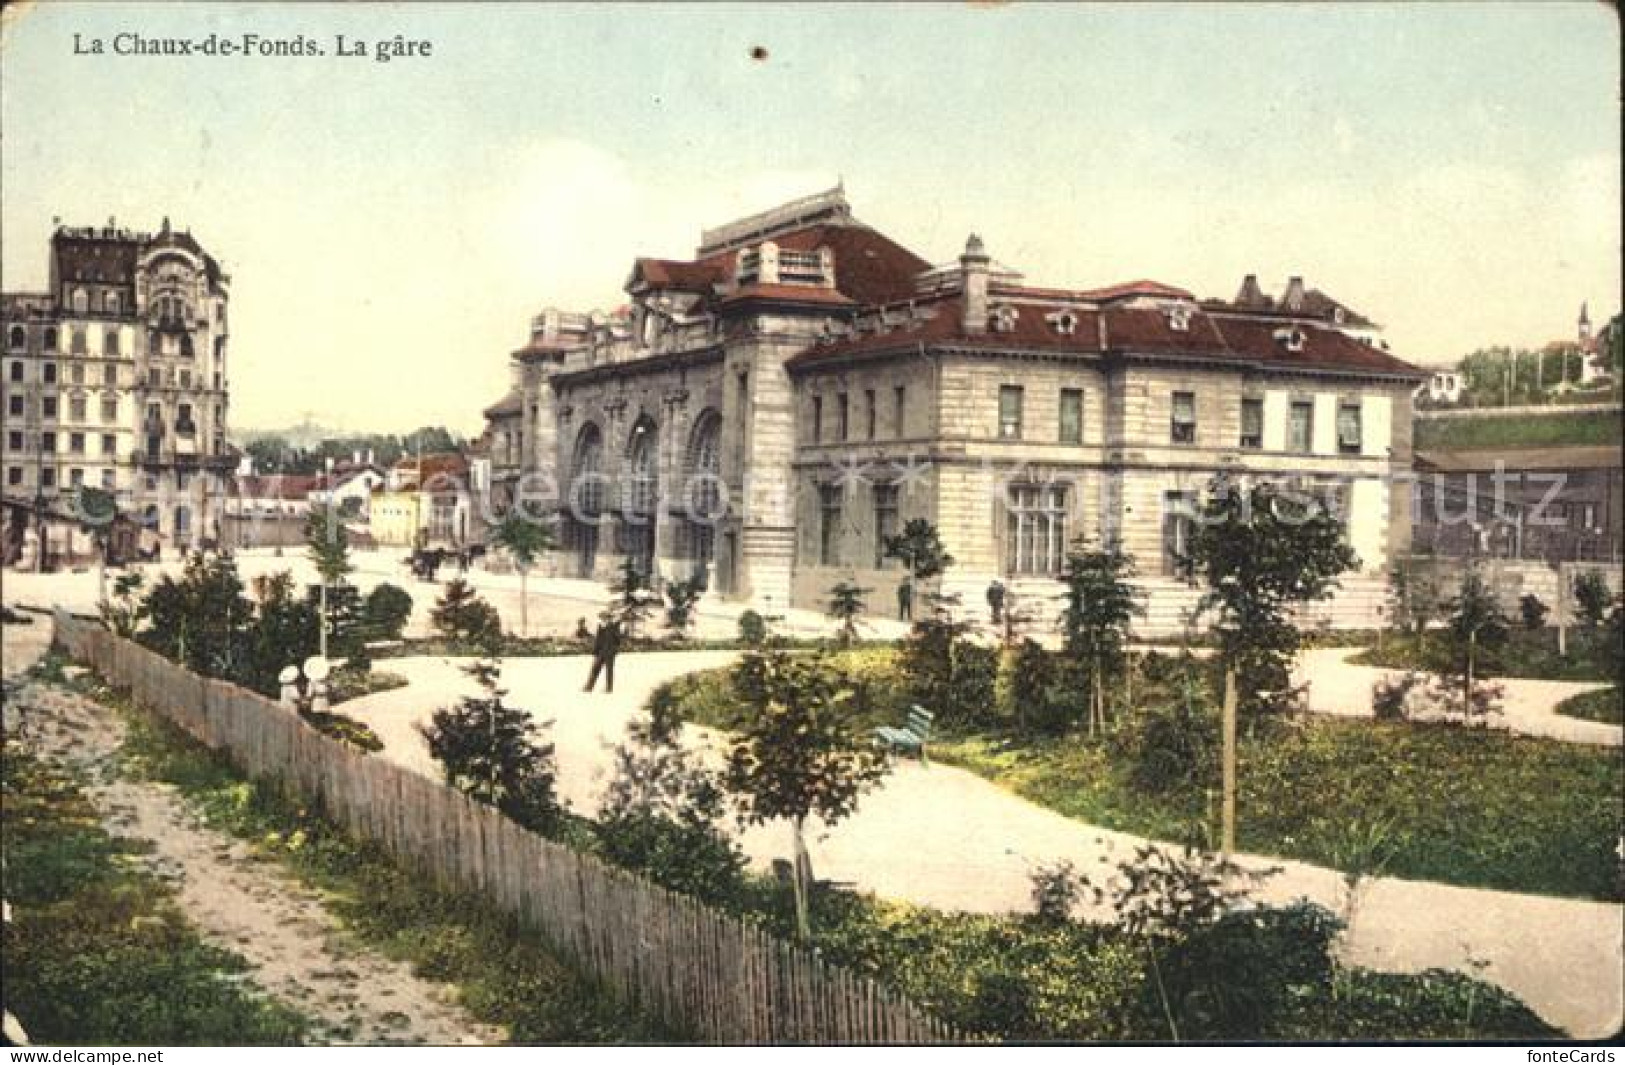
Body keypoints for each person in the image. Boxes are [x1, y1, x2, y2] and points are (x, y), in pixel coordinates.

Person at [583, 614, 623, 694]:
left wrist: (614, 649)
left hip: (610, 652)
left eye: (606, 618)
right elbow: (597, 640)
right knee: (595, 669)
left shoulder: (614, 627)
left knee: (609, 670)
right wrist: (595, 651)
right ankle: (589, 687)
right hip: (600, 652)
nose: (604, 620)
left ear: (609, 619)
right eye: (603, 618)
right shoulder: (600, 627)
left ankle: (608, 689)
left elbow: (618, 639)